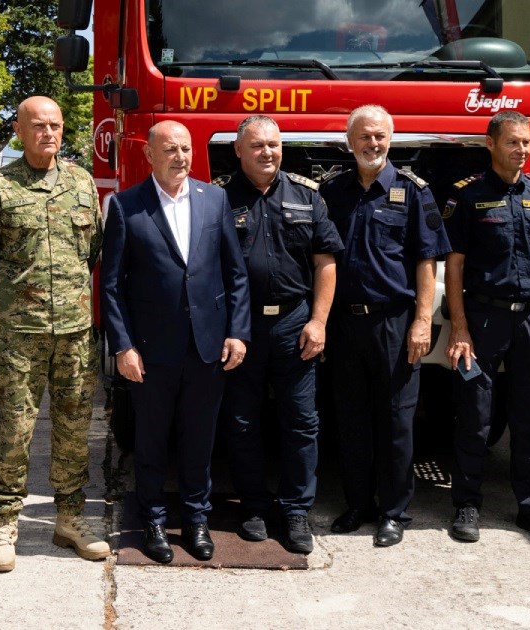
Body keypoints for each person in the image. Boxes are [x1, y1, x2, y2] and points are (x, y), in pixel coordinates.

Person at [0, 96, 110, 573]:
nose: (49, 132)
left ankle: (69, 518)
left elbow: (92, 251)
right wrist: (14, 290)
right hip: (20, 335)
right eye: (38, 125)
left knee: (72, 429)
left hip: (73, 332)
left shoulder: (83, 184)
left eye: (56, 125)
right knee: (16, 428)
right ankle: (6, 523)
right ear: (19, 132)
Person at [101, 120, 251, 563]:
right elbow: (110, 286)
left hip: (207, 348)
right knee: (151, 440)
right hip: (150, 352)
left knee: (199, 440)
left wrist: (238, 332)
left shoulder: (215, 199)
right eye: (170, 149)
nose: (180, 157)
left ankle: (196, 518)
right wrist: (123, 346)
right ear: (149, 155)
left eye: (185, 149)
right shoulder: (127, 206)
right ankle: (151, 518)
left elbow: (235, 273)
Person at [320, 105, 450, 547]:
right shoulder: (332, 191)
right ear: (349, 140)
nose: (372, 144)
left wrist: (422, 322)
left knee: (396, 421)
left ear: (390, 140)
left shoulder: (414, 191)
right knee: (350, 418)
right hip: (343, 324)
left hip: (395, 323)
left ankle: (393, 512)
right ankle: (358, 504)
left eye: (379, 137)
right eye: (364, 137)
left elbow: (426, 261)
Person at [443, 110, 530, 546]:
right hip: (484, 318)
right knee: (475, 416)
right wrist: (459, 327)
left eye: (525, 142)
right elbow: (455, 266)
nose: (521, 150)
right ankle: (466, 504)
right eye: (513, 142)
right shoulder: (467, 196)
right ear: (491, 144)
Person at [216, 115, 341, 555]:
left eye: (274, 144)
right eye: (257, 146)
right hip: (242, 328)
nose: (267, 152)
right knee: (242, 421)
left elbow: (325, 262)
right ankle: (252, 505)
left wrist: (319, 321)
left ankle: (294, 511)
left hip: (294, 322)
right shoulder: (217, 197)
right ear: (238, 150)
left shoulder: (307, 195)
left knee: (301, 421)